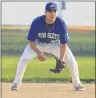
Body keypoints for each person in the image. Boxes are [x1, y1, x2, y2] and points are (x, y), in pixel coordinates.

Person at [11, 2, 84, 91]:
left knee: (71, 61)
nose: (52, 13)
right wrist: (38, 53)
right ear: (45, 12)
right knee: (24, 59)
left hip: (55, 44)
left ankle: (77, 84)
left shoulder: (61, 23)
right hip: (38, 44)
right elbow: (31, 41)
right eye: (50, 11)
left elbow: (63, 44)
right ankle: (16, 84)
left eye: (54, 11)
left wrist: (61, 60)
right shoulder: (37, 22)